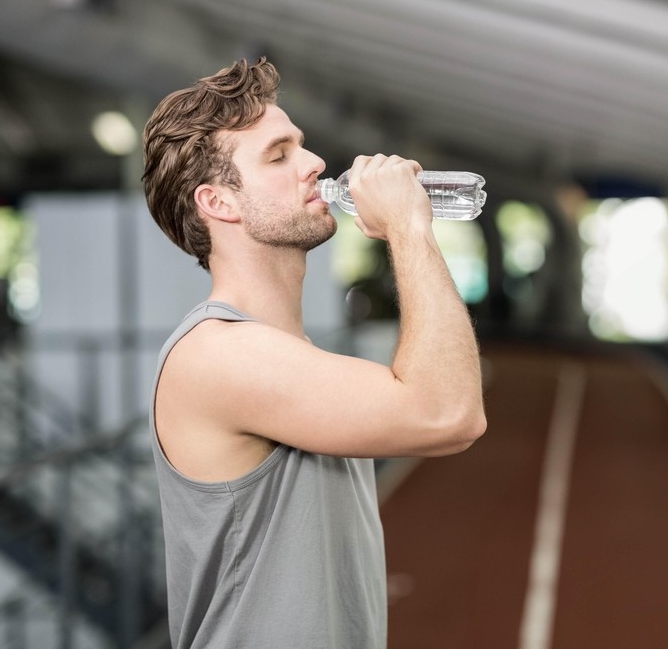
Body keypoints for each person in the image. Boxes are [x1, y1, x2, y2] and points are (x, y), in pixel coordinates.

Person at [141, 57, 486, 648]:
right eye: (278, 156)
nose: (315, 163)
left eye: (300, 145)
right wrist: (408, 227)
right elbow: (449, 412)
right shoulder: (219, 355)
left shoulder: (286, 352)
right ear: (219, 203)